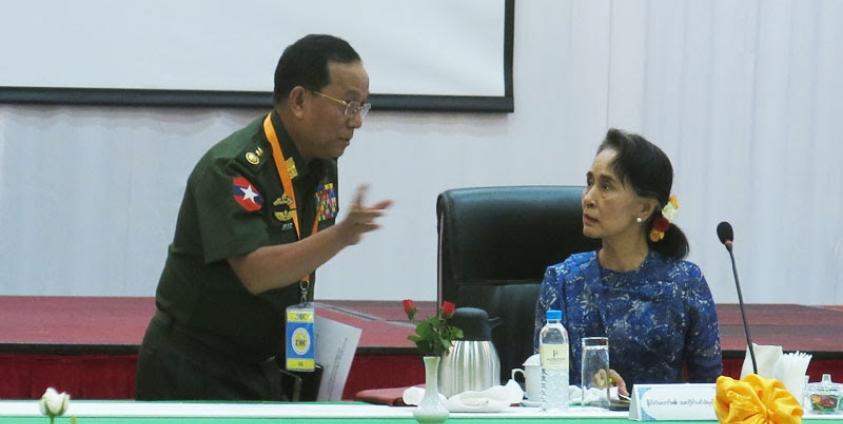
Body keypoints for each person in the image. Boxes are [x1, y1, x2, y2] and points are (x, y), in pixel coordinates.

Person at [136, 34, 391, 401]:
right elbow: (257, 272)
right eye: (348, 105)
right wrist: (341, 235)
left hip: (263, 364)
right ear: (299, 100)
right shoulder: (233, 167)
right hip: (194, 367)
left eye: (362, 107)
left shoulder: (322, 163)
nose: (356, 122)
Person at [533, 128, 722, 395]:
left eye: (606, 186)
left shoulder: (685, 283)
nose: (588, 198)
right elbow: (545, 385)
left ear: (644, 208)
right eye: (590, 182)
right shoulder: (562, 280)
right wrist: (591, 391)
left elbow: (710, 390)